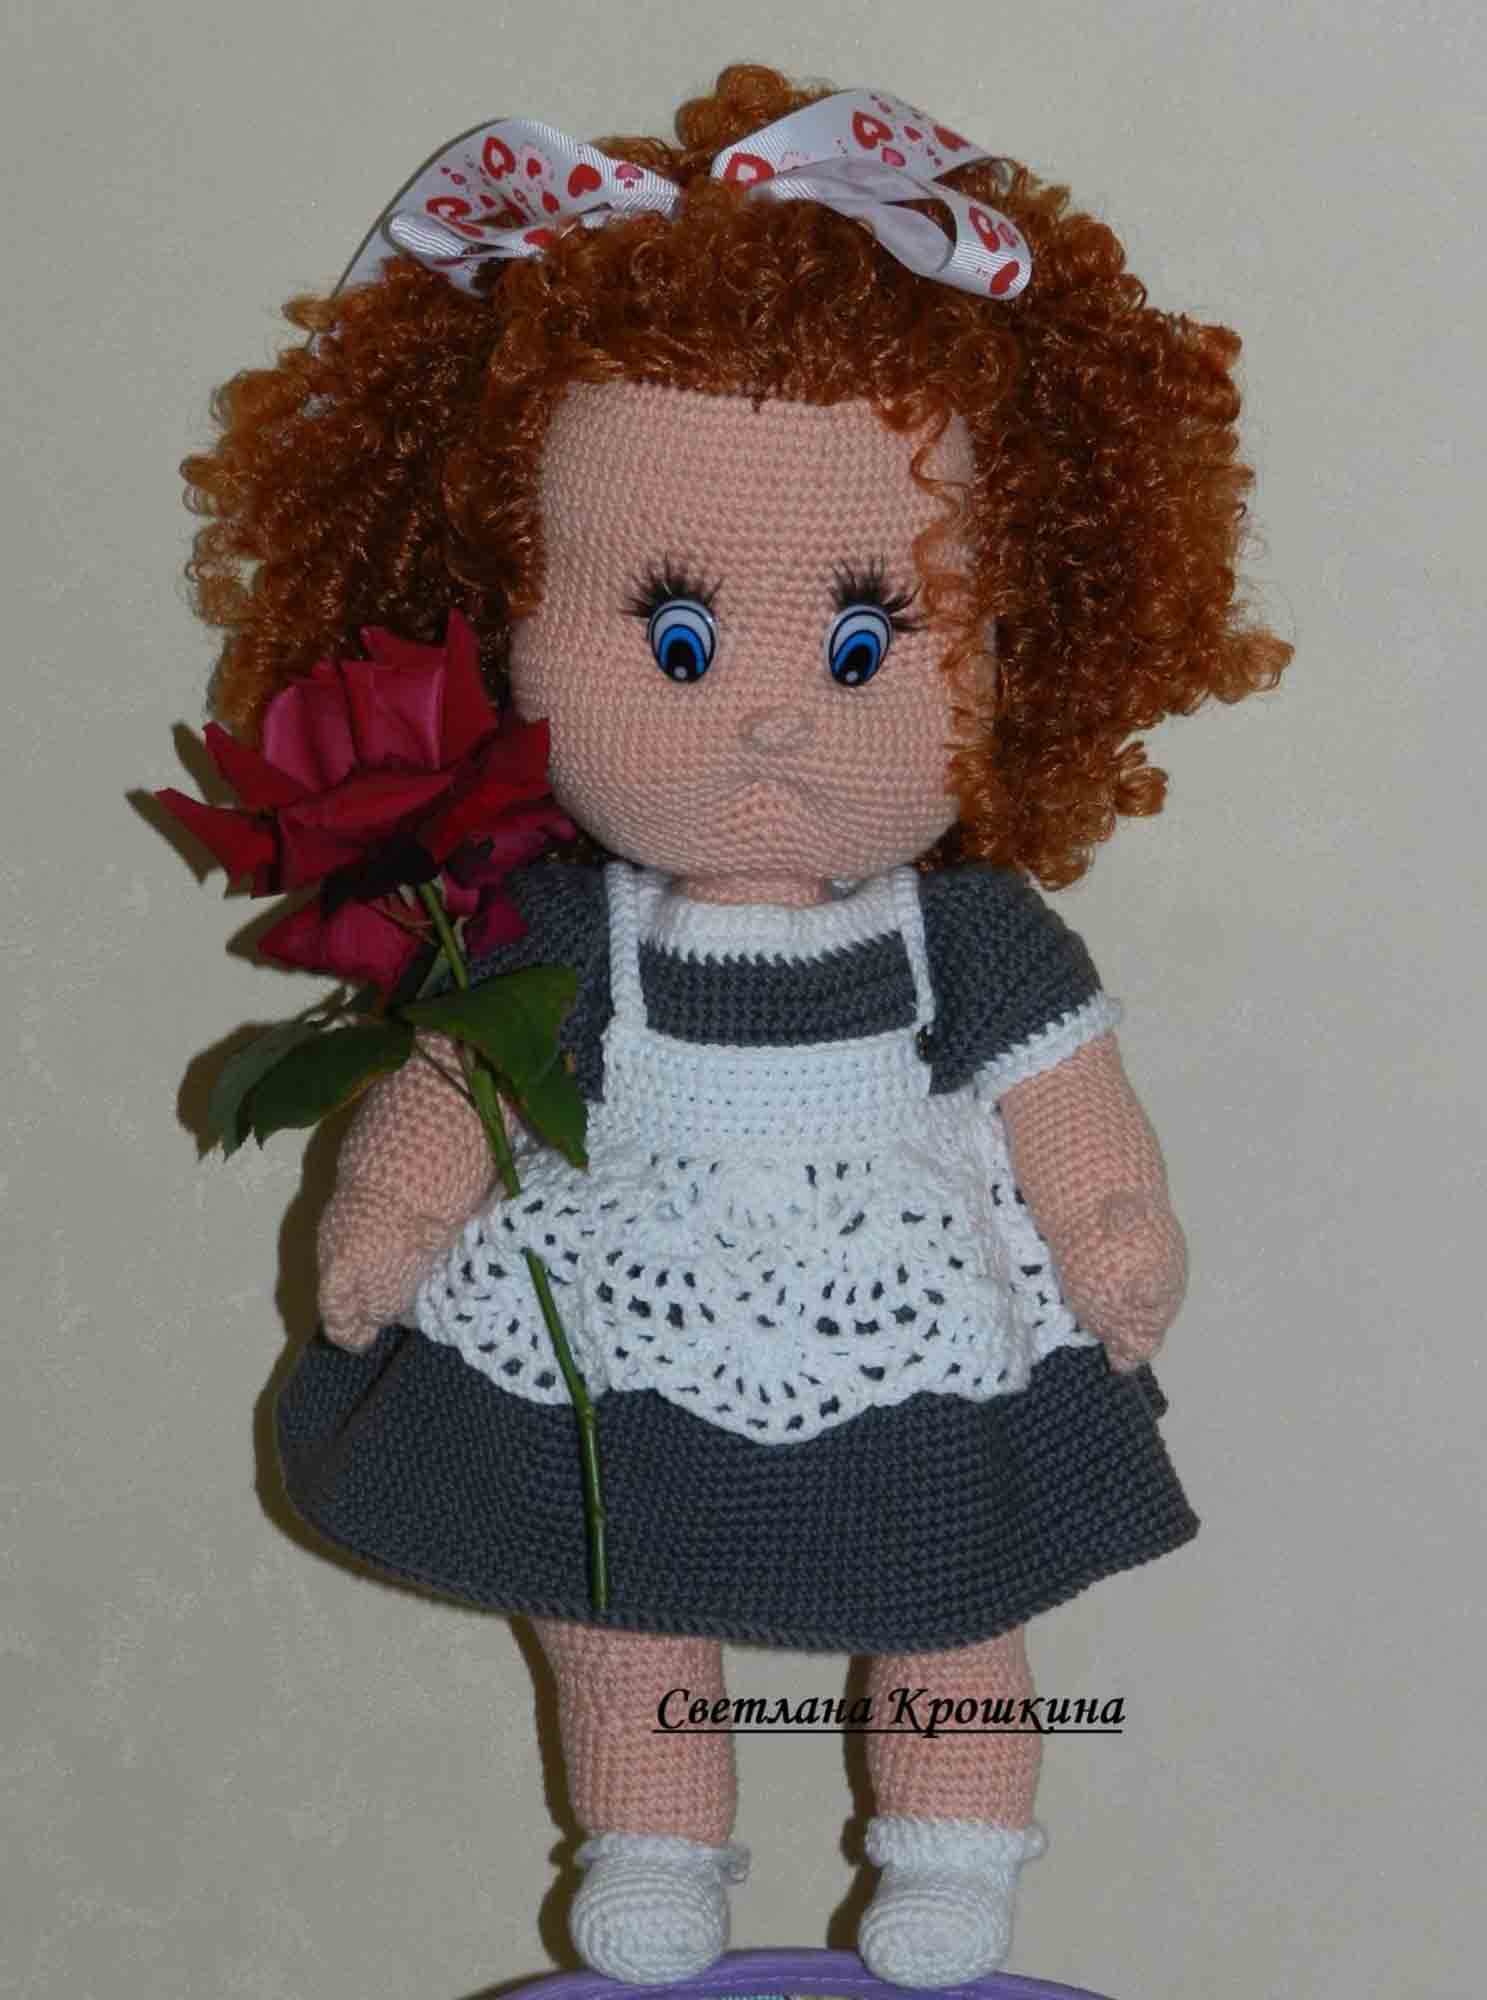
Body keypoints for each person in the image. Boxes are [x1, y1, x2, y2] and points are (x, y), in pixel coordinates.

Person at [186, 64, 1289, 1987]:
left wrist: (1116, 1227)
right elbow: (457, 1083)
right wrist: (392, 1208)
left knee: (953, 1591)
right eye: (681, 642)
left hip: (910, 1324)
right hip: (624, 1324)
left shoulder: (968, 936)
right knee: (617, 1599)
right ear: (516, 626)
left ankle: (951, 1862)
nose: (776, 712)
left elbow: (1070, 1101)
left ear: (1010, 644)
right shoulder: (560, 931)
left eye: (865, 643)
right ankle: (656, 1849)